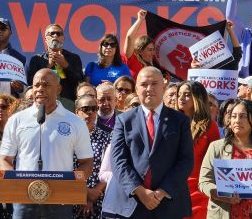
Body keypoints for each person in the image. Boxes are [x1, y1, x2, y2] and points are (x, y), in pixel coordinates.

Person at [0, 68, 93, 219]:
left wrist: (69, 182)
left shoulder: (75, 122)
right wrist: (16, 180)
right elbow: (4, 160)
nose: (40, 89)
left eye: (46, 85)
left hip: (61, 200)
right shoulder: (16, 120)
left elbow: (87, 162)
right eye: (36, 85)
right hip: (24, 199)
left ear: (59, 89)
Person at [102, 67, 194, 219]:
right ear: (137, 89)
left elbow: (186, 161)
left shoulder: (180, 121)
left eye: (155, 83)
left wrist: (162, 192)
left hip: (168, 203)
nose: (149, 89)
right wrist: (140, 191)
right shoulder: (123, 120)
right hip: (131, 203)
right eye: (144, 84)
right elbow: (118, 161)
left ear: (164, 87)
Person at [199, 99, 252, 219]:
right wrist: (221, 194)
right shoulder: (216, 147)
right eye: (233, 116)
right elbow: (204, 181)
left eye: (242, 116)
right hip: (228, 213)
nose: (237, 120)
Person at [176, 81, 220, 219]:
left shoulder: (209, 126)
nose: (181, 98)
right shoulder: (171, 122)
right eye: (179, 94)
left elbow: (215, 162)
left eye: (187, 95)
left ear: (198, 98)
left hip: (199, 190)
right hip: (173, 187)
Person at [74, 95, 111, 219]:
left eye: (94, 109)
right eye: (85, 109)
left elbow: (110, 169)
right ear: (76, 112)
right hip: (71, 195)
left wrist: (91, 197)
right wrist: (85, 193)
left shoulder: (107, 137)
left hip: (98, 198)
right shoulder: (67, 138)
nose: (90, 112)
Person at [27, 24, 83, 102]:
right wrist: (48, 66)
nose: (55, 36)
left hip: (67, 102)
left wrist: (65, 65)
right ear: (46, 39)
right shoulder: (36, 59)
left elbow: (80, 83)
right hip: (43, 101)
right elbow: (31, 83)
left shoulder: (74, 58)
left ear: (63, 39)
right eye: (52, 34)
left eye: (58, 34)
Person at [123, 10, 169, 81]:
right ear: (140, 50)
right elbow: (129, 36)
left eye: (153, 50)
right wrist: (140, 19)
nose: (153, 53)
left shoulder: (156, 67)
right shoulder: (133, 59)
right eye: (150, 50)